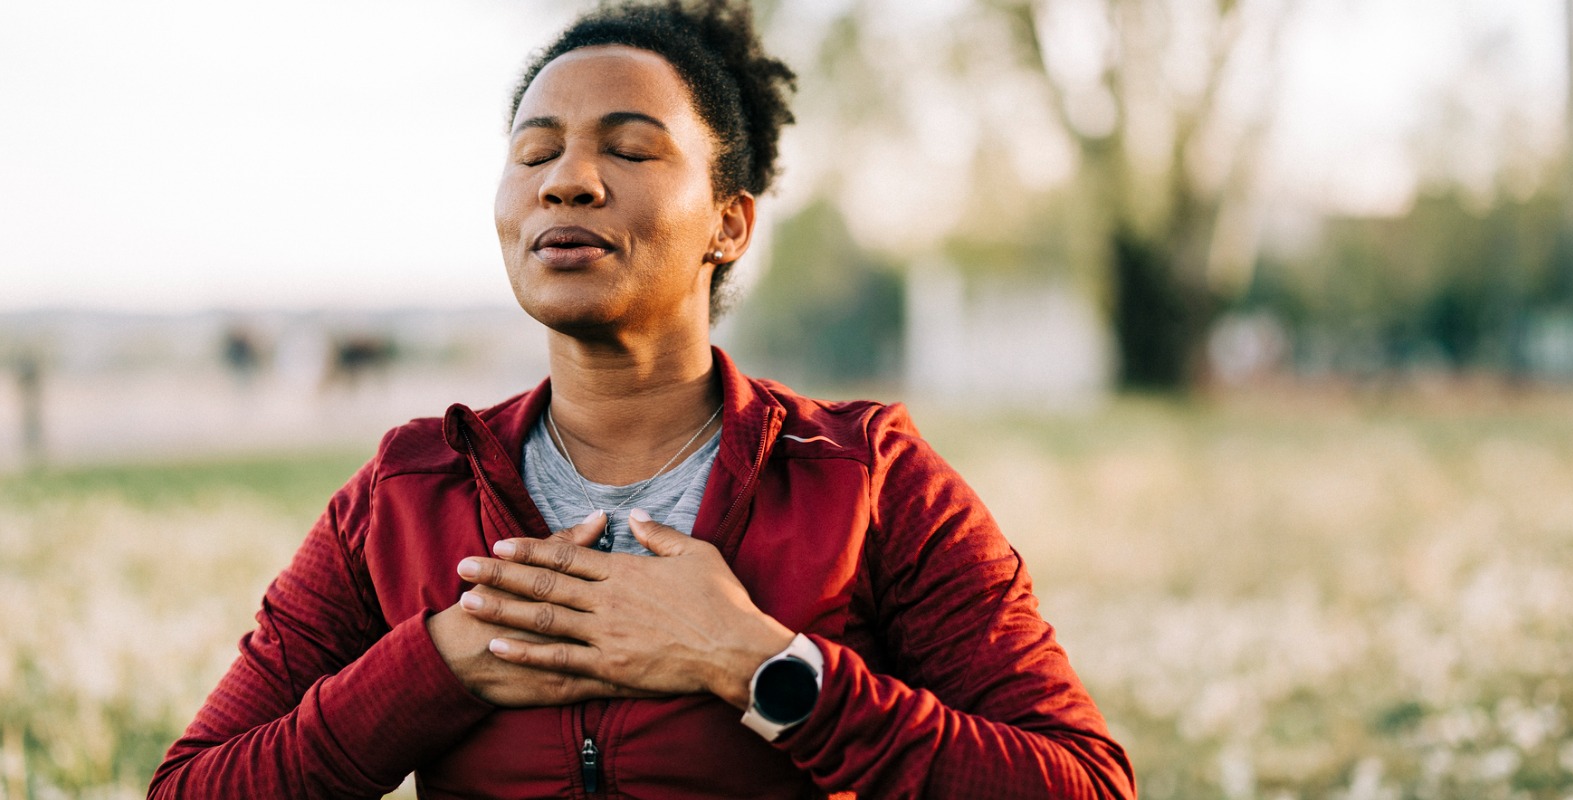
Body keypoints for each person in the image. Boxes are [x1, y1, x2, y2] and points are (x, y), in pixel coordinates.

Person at [149, 1, 1134, 797]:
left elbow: (1082, 781)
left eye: (629, 148)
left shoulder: (864, 478)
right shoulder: (406, 490)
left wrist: (759, 663)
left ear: (730, 222)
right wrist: (437, 666)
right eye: (535, 153)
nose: (568, 180)